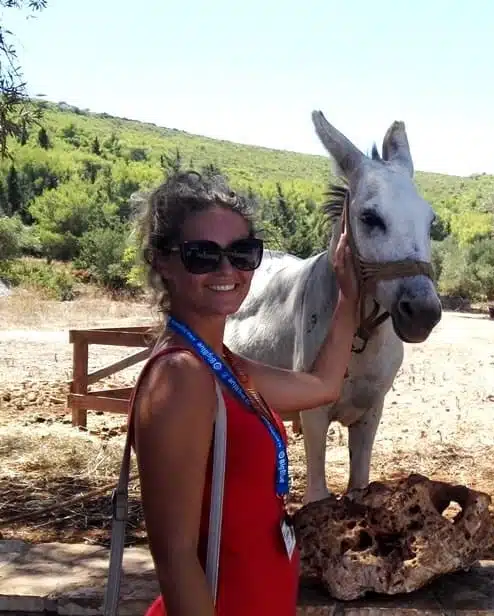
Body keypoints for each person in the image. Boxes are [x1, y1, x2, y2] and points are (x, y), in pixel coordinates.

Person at [127, 170, 359, 616]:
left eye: (241, 254)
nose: (226, 270)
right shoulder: (180, 377)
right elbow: (174, 560)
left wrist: (347, 299)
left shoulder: (224, 366)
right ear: (162, 261)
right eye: (202, 255)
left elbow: (323, 387)